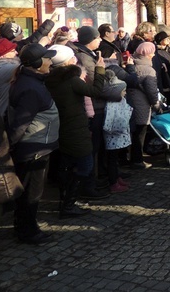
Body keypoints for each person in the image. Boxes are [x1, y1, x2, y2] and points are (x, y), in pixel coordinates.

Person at [45, 45, 112, 217]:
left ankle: (66, 199)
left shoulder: (51, 79)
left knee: (66, 163)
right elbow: (95, 91)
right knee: (85, 164)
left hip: (62, 126)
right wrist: (100, 70)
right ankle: (69, 204)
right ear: (67, 61)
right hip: (75, 128)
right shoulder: (71, 81)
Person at [7, 43, 59, 244]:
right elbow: (20, 124)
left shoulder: (32, 81)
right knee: (31, 192)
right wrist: (10, 146)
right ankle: (28, 231)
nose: (50, 61)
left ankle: (25, 225)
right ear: (37, 64)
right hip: (33, 148)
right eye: (47, 58)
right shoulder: (30, 87)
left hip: (37, 146)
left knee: (31, 190)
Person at [126, 42, 160, 169]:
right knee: (140, 133)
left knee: (133, 132)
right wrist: (156, 104)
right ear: (147, 54)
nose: (153, 54)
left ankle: (131, 157)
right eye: (152, 52)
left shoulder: (131, 64)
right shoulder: (148, 70)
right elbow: (151, 91)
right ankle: (138, 160)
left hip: (130, 102)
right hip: (142, 104)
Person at [0, 38, 19, 119]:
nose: (16, 52)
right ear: (3, 55)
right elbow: (25, 67)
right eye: (12, 51)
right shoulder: (1, 68)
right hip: (6, 115)